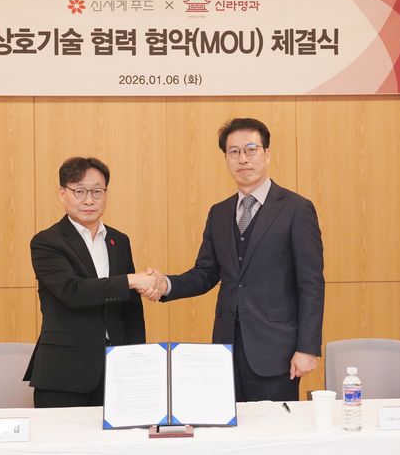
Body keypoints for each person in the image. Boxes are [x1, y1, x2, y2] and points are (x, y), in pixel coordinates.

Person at [146, 118, 325, 402]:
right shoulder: (219, 212)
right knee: (228, 424)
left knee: (274, 427)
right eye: (234, 152)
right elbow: (205, 273)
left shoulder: (296, 209)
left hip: (276, 349)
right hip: (226, 347)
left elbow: (311, 284)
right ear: (226, 158)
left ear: (267, 154)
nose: (242, 159)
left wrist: (307, 348)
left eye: (251, 149)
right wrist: (165, 284)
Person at [24, 156, 156, 408]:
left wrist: (136, 359)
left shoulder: (119, 240)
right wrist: (130, 280)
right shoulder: (47, 242)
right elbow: (72, 291)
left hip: (116, 370)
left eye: (97, 191)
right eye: (79, 191)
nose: (89, 200)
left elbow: (131, 310)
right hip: (64, 372)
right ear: (62, 193)